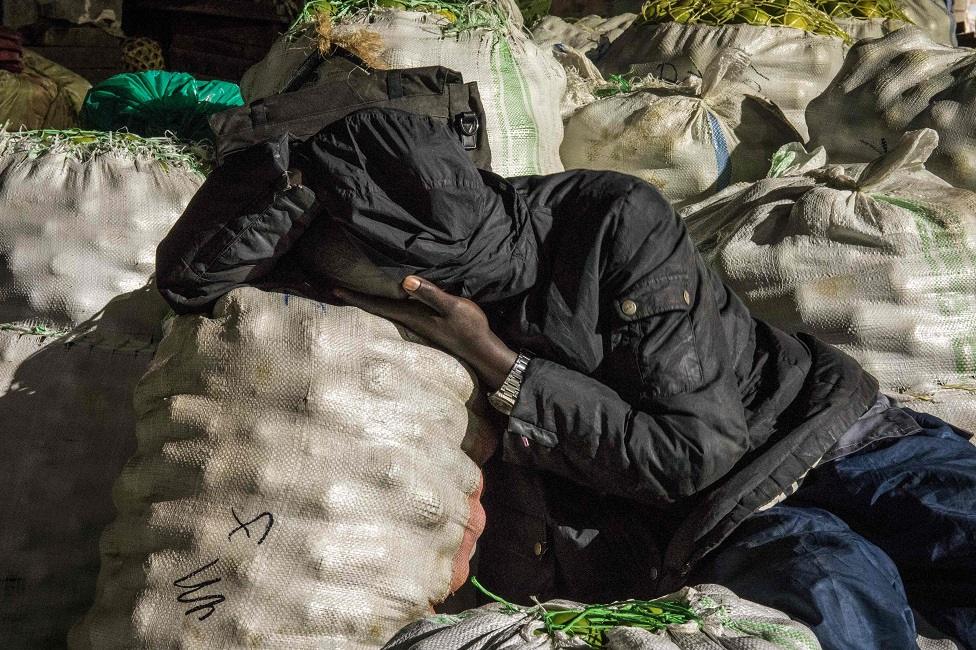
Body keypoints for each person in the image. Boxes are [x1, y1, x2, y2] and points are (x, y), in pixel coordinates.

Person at [156, 108, 976, 649]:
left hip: (829, 437)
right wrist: (293, 176)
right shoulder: (347, 309)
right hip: (708, 529)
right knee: (834, 606)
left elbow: (692, 448)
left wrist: (499, 363)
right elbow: (190, 279)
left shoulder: (609, 219)